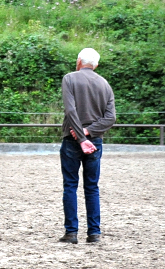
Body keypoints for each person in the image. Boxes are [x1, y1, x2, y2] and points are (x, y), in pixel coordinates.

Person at [59, 48, 116, 245]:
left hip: (72, 140)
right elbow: (111, 118)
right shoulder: (105, 84)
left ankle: (71, 233)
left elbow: (70, 110)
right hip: (96, 141)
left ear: (78, 61)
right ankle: (94, 233)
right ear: (96, 65)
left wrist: (80, 135)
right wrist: (89, 132)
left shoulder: (69, 79)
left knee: (70, 185)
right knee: (92, 187)